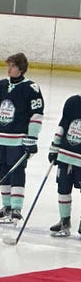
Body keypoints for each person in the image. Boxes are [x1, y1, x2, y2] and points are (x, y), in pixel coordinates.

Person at [0, 52, 44, 223]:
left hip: (18, 138)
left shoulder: (31, 88)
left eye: (12, 66)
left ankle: (16, 208)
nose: (9, 69)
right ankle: (6, 205)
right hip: (0, 136)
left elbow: (36, 114)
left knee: (17, 171)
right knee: (3, 170)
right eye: (8, 65)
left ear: (21, 68)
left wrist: (32, 137)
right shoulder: (0, 86)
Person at [48, 94, 81, 236]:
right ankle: (64, 221)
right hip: (65, 154)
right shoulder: (73, 102)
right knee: (63, 189)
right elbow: (63, 124)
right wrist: (55, 148)